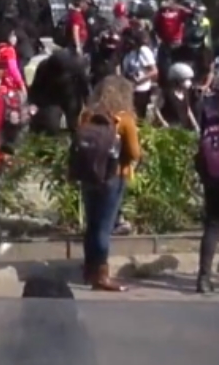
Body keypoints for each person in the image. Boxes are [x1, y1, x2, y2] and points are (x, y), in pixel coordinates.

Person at [75, 75, 140, 291]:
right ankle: (101, 276)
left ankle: (89, 270)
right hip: (114, 177)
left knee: (92, 225)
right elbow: (134, 153)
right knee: (104, 227)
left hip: (88, 176)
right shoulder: (124, 119)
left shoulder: (87, 115)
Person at [196, 88, 219, 293]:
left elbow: (201, 137)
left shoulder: (208, 106)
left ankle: (203, 277)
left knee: (212, 224)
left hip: (212, 172)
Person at [121, 28, 157, 119]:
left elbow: (154, 71)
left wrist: (138, 81)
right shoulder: (128, 53)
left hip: (142, 90)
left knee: (140, 117)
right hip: (130, 89)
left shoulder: (143, 51)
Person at [152, 62, 198, 130]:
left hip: (183, 127)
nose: (189, 82)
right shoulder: (166, 93)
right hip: (171, 128)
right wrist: (164, 123)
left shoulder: (186, 93)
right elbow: (156, 109)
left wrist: (195, 125)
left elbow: (188, 110)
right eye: (185, 79)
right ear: (177, 80)